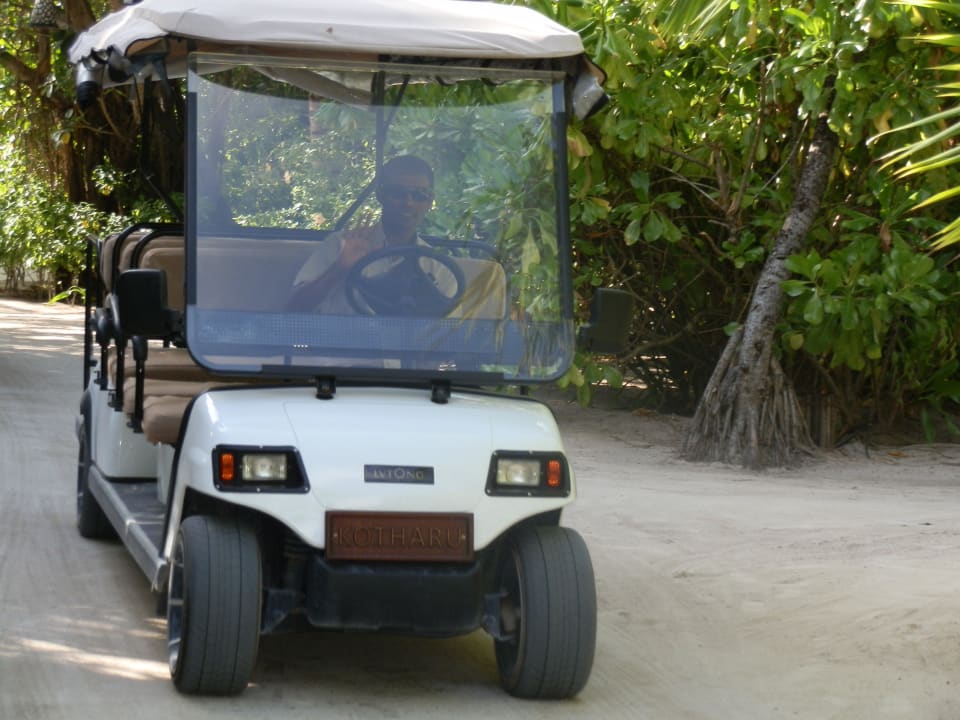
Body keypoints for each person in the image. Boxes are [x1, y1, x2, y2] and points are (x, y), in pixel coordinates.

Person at [286, 155, 446, 313]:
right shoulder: (341, 245)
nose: (408, 203)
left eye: (419, 194)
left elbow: (451, 332)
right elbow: (294, 309)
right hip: (340, 338)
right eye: (398, 193)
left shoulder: (438, 265)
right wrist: (340, 269)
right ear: (380, 196)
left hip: (404, 339)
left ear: (430, 200)